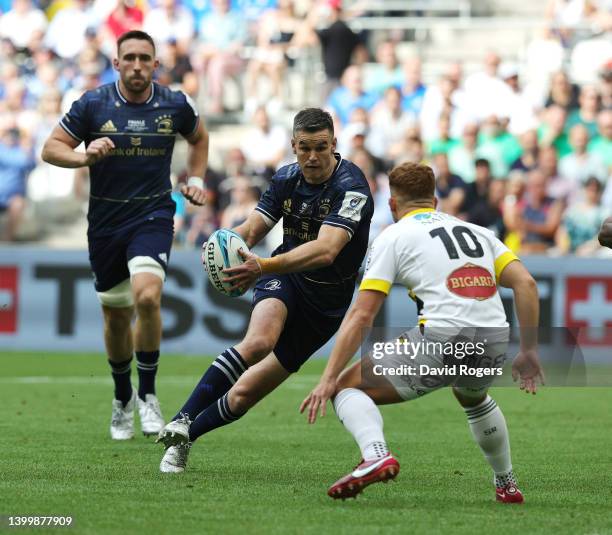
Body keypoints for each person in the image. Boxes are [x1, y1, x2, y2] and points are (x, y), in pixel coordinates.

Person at [301, 162, 544, 503]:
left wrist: (328, 377)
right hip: (494, 339)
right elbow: (526, 284)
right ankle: (506, 483)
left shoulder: (395, 235)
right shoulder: (478, 232)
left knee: (346, 388)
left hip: (443, 338)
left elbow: (362, 315)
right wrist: (529, 350)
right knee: (471, 397)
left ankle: (375, 454)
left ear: (392, 204)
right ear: (435, 201)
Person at [156, 107, 374, 473]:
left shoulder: (352, 187)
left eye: (321, 147)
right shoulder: (286, 177)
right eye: (304, 147)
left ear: (334, 144)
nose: (313, 156)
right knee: (258, 342)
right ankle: (181, 418)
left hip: (326, 306)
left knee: (243, 395)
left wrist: (263, 266)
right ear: (293, 145)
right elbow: (256, 225)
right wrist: (226, 242)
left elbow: (326, 250)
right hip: (286, 277)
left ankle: (186, 438)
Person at [40, 30, 209, 440]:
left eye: (144, 58)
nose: (136, 65)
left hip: (152, 214)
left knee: (148, 297)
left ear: (155, 64)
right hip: (105, 223)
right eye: (129, 58)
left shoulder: (174, 103)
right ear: (116, 63)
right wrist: (84, 156)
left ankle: (149, 394)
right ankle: (122, 398)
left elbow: (199, 138)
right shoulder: (93, 104)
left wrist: (197, 177)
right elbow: (50, 148)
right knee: (116, 317)